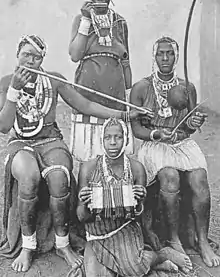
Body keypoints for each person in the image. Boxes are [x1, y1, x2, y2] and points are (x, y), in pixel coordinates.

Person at [0, 34, 144, 273]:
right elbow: (4, 126)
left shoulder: (53, 80)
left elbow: (85, 105)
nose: (31, 61)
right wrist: (14, 90)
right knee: (29, 177)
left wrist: (124, 115)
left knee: (60, 178)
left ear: (42, 60)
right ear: (18, 55)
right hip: (21, 144)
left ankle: (62, 243)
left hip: (51, 141)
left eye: (36, 57)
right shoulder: (6, 82)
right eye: (26, 55)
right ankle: (28, 245)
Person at [130, 36, 220, 268]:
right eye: (161, 53)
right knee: (169, 177)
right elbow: (136, 128)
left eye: (170, 53)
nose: (165, 58)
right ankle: (175, 239)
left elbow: (190, 125)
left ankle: (202, 241)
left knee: (200, 178)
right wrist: (155, 134)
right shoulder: (142, 87)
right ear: (154, 56)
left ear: (176, 56)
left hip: (180, 144)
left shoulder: (187, 87)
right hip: (154, 145)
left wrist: (193, 122)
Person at [77, 117, 194, 276]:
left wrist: (139, 202)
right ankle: (149, 263)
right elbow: (82, 217)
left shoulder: (136, 168)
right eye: (107, 137)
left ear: (126, 140)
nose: (112, 142)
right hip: (97, 234)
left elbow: (138, 215)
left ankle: (160, 256)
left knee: (134, 268)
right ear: (101, 140)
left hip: (124, 229)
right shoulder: (88, 168)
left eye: (118, 137)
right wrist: (84, 203)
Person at [68, 0, 135, 163]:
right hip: (88, 89)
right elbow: (74, 55)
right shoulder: (80, 20)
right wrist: (86, 20)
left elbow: (125, 60)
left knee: (115, 149)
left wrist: (128, 92)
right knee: (88, 155)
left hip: (115, 93)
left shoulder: (120, 22)